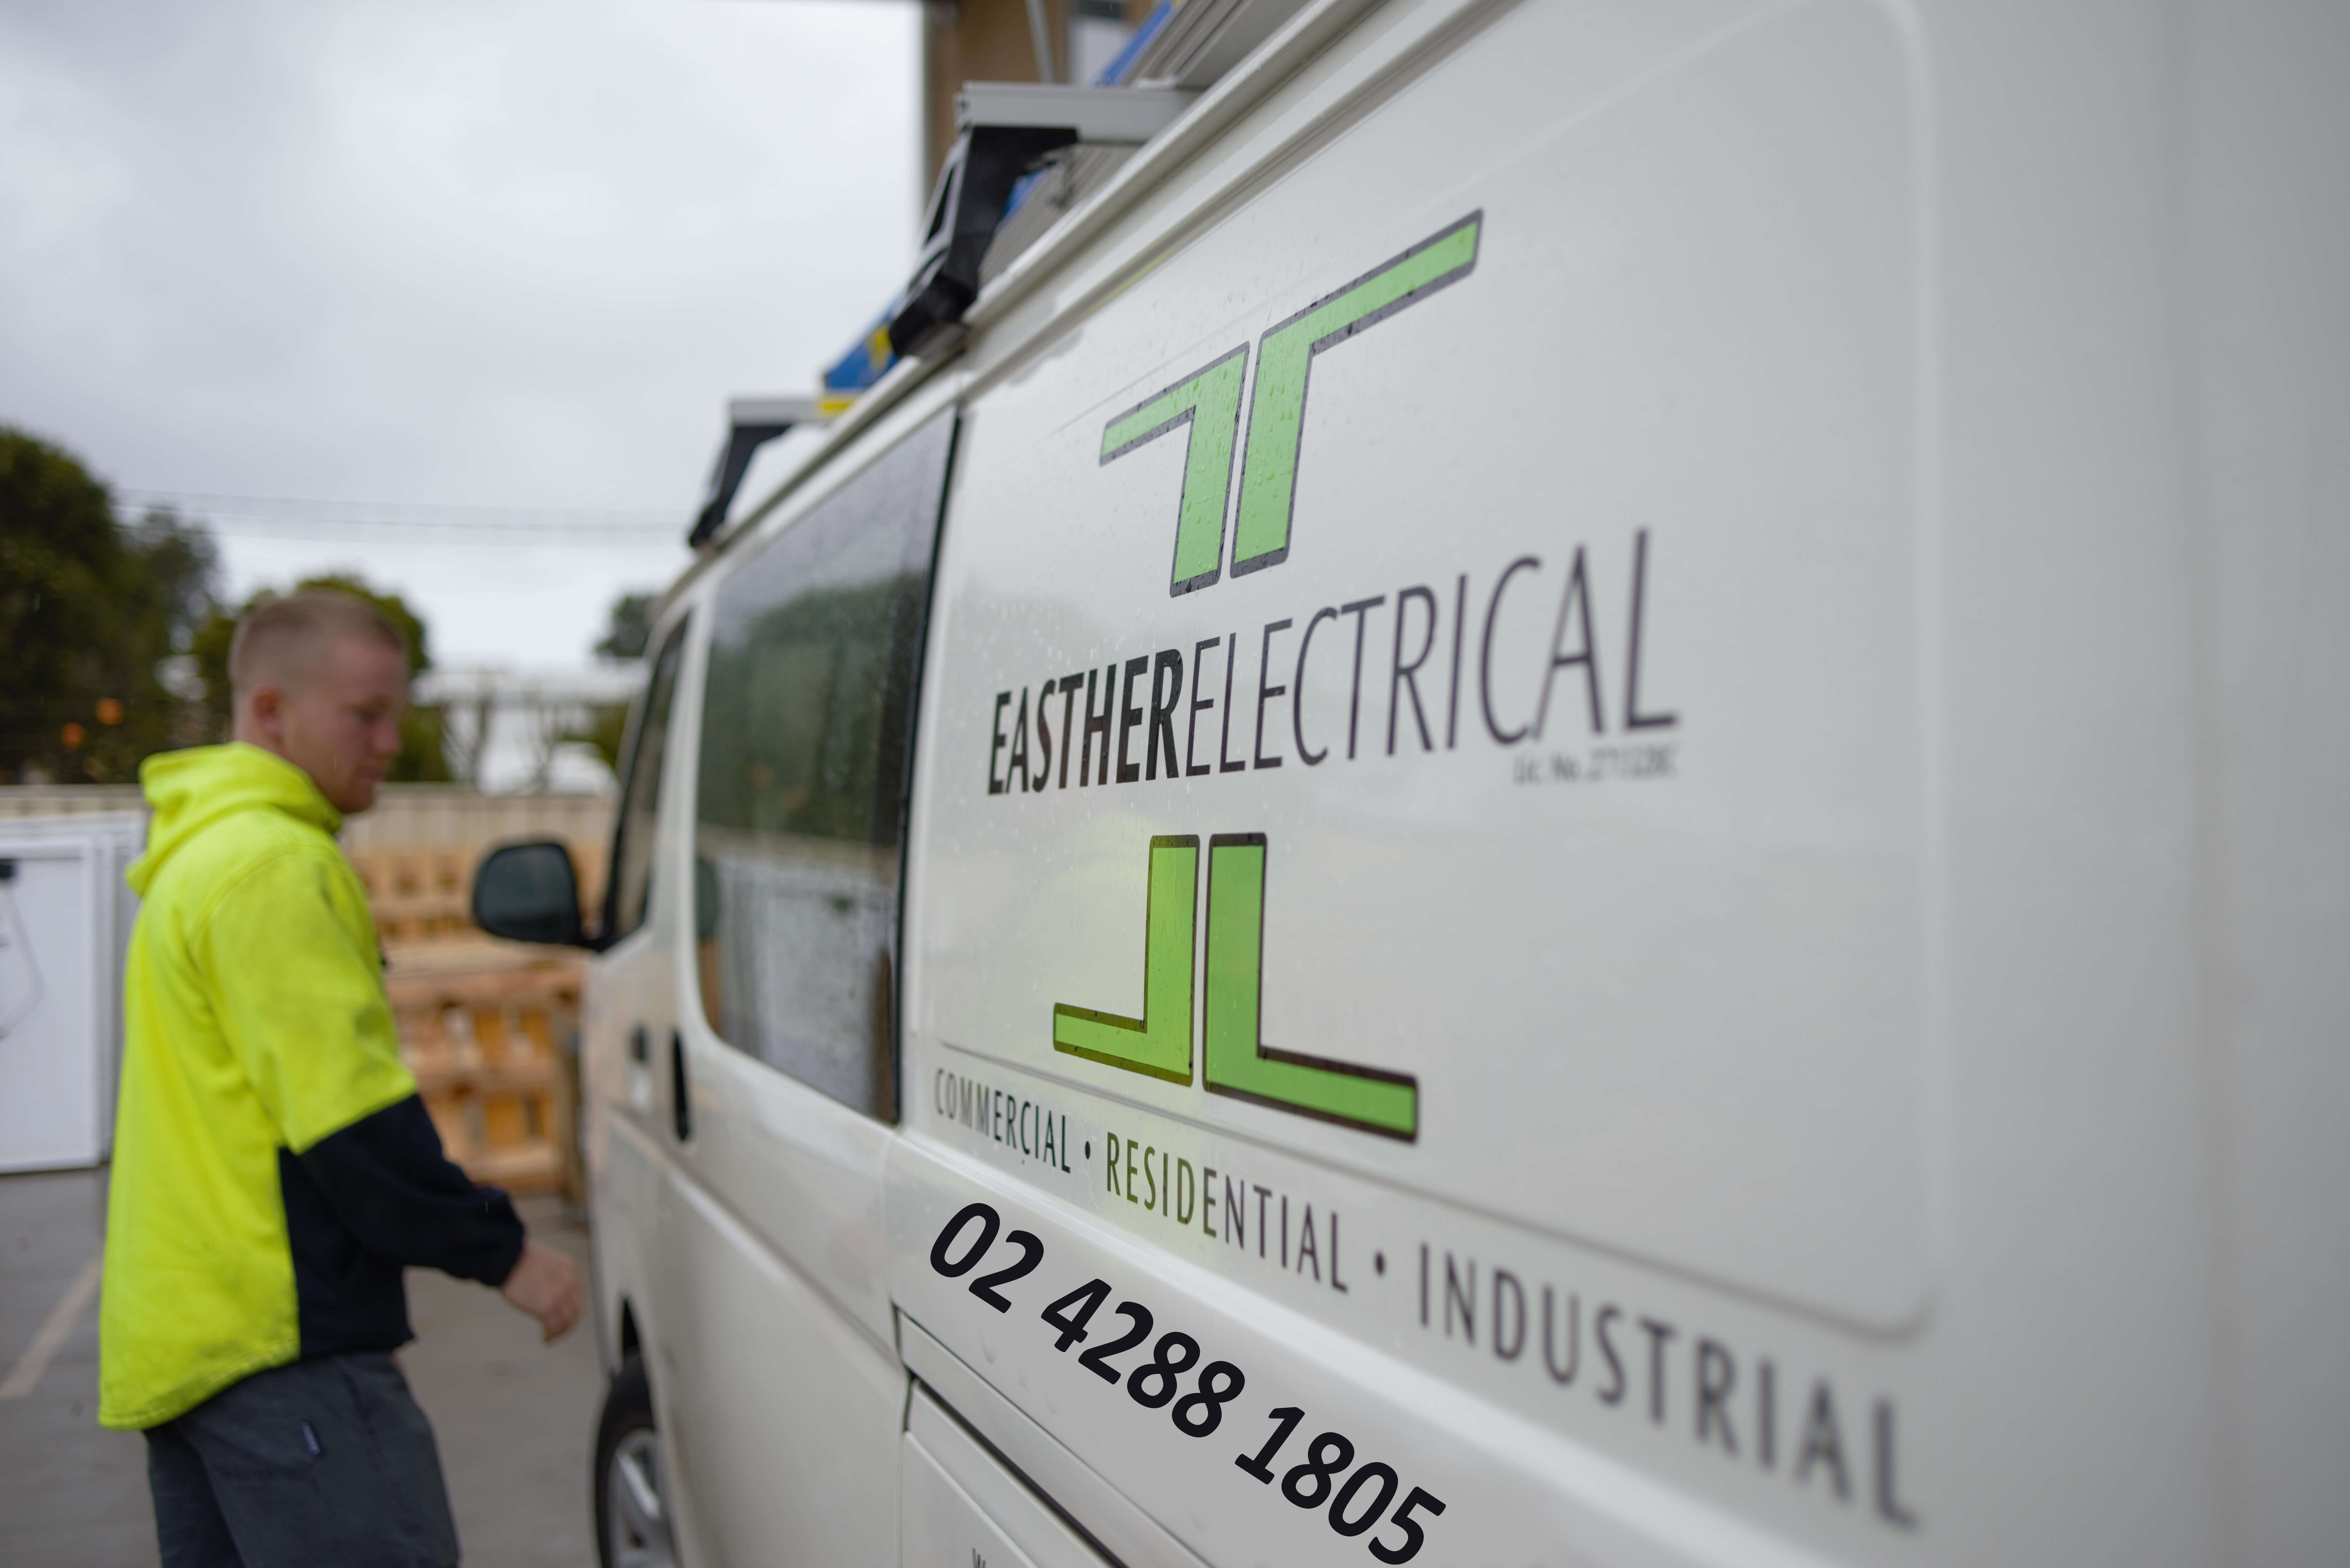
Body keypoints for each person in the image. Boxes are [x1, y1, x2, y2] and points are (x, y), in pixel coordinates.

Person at [99, 589, 587, 1568]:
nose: (390, 742)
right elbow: (349, 1121)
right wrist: (502, 1252)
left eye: (395, 714)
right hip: (283, 1346)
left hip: (186, 1347)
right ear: (270, 711)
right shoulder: (276, 867)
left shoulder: (196, 858)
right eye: (365, 715)